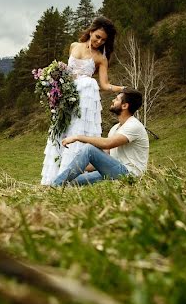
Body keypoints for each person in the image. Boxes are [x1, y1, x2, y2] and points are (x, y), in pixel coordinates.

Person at [40, 16, 128, 185]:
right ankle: (53, 179)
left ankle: (70, 180)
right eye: (97, 37)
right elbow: (66, 72)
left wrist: (121, 89)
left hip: (85, 99)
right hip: (68, 96)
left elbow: (105, 84)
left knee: (77, 132)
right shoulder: (74, 46)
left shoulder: (101, 58)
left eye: (103, 40)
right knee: (62, 132)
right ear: (91, 31)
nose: (99, 41)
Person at [52, 89, 149, 186]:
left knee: (88, 149)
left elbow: (107, 143)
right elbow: (107, 154)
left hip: (129, 174)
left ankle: (54, 186)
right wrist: (79, 163)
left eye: (116, 99)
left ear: (125, 106)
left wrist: (77, 137)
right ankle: (58, 184)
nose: (113, 101)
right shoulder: (115, 128)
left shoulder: (133, 126)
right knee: (72, 182)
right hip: (114, 170)